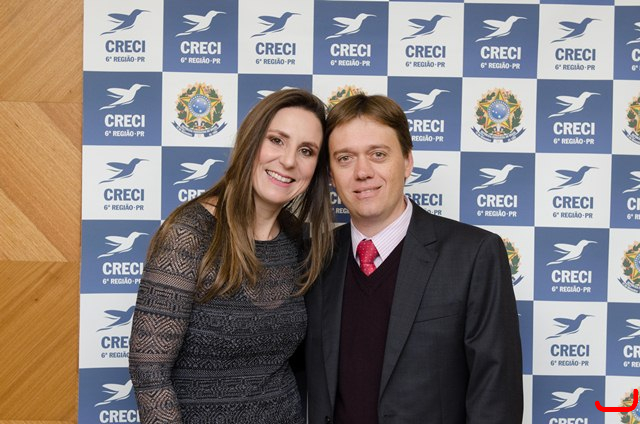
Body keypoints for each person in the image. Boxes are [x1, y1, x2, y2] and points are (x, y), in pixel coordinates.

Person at [305, 94, 523, 424]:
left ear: (407, 161)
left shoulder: (474, 254)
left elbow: (497, 398)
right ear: (331, 175)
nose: (362, 172)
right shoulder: (315, 258)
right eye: (345, 158)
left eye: (378, 154)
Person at [128, 89, 334, 423]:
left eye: (306, 150)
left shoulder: (297, 238)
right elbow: (149, 371)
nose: (288, 161)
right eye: (277, 140)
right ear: (251, 141)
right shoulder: (191, 232)